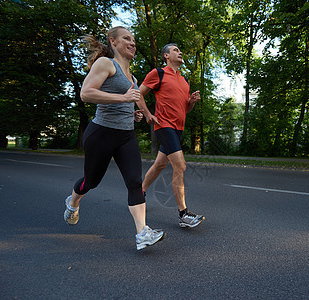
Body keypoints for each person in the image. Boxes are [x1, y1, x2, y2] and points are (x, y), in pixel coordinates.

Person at [63, 26, 164, 251]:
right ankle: (72, 203)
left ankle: (142, 233)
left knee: (135, 182)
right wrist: (124, 98)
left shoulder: (133, 76)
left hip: (126, 135)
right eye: (126, 38)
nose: (132, 43)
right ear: (113, 42)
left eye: (134, 40)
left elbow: (125, 101)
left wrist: (134, 113)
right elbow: (86, 94)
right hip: (101, 133)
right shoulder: (106, 64)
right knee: (91, 182)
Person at [138, 43, 205, 228]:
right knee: (180, 166)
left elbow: (186, 110)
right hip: (164, 125)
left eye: (180, 50)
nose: (180, 52)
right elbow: (138, 94)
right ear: (166, 55)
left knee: (160, 164)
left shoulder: (184, 81)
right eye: (175, 50)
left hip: (179, 128)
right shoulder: (158, 73)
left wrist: (191, 102)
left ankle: (140, 192)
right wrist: (147, 114)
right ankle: (183, 214)